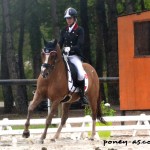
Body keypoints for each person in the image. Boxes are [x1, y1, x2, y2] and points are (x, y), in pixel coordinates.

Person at [59, 7, 88, 105]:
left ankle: (82, 95)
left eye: (70, 18)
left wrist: (70, 49)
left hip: (75, 56)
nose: (68, 20)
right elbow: (60, 43)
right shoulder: (64, 30)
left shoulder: (80, 30)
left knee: (80, 73)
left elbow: (80, 44)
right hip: (65, 56)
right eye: (67, 18)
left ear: (74, 18)